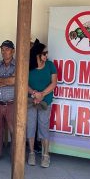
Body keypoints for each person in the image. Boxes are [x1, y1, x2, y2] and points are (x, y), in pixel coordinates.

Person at [26, 40, 57, 168]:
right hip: (31, 101)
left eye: (47, 53)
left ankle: (46, 155)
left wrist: (42, 94)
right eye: (44, 53)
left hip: (45, 101)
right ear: (37, 54)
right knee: (31, 126)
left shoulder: (50, 65)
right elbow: (24, 83)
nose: (46, 56)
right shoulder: (28, 66)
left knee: (44, 127)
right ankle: (32, 153)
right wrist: (34, 93)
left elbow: (54, 83)